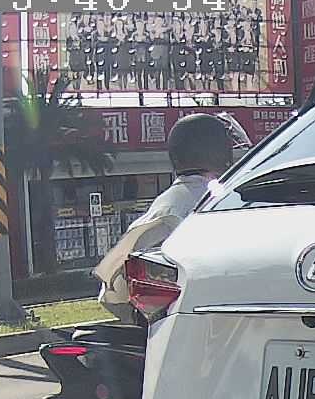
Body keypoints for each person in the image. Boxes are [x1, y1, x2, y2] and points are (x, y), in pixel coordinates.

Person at [94, 113, 249, 322]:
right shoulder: (227, 203)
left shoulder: (161, 208)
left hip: (169, 328)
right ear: (223, 154)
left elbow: (112, 294)